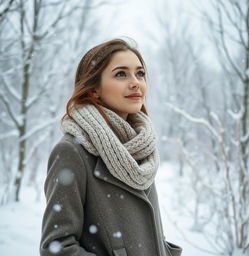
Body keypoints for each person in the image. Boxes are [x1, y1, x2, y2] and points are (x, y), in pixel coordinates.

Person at [40, 38, 182, 256]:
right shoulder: (72, 151)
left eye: (140, 73)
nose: (135, 82)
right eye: (121, 74)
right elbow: (57, 247)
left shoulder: (140, 146)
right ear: (94, 90)